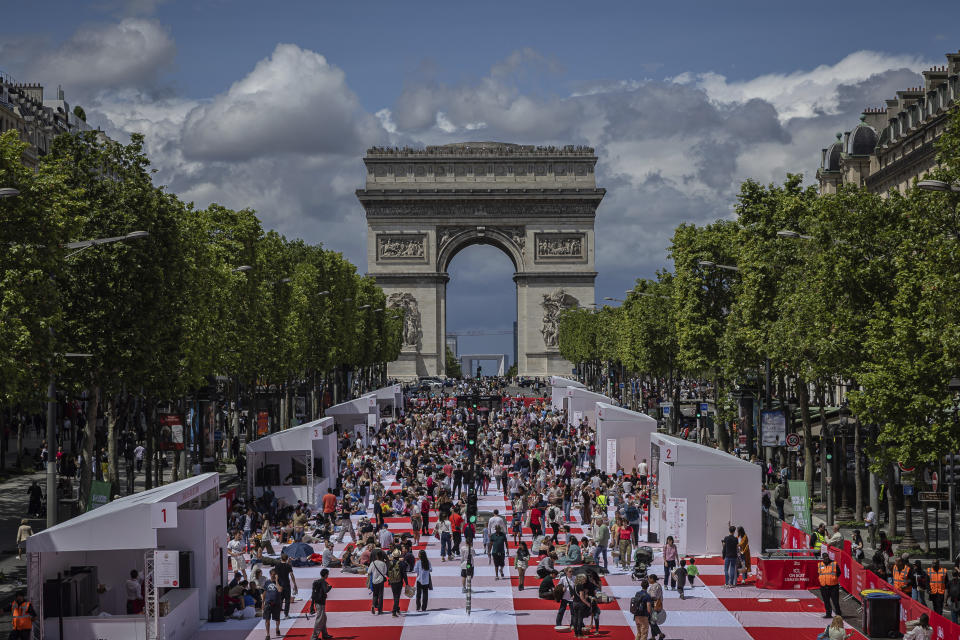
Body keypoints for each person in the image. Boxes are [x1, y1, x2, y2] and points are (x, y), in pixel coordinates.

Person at [273, 553, 298, 619]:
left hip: (280, 584)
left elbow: (276, 576)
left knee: (280, 600)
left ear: (281, 558)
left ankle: (277, 614)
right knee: (287, 600)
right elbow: (292, 575)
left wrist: (276, 583)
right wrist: (295, 584)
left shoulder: (277, 565)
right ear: (287, 559)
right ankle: (286, 614)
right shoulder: (288, 565)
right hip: (286, 584)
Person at [818, 552, 841, 618]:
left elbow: (839, 573)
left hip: (833, 586)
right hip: (824, 586)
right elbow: (819, 574)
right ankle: (828, 614)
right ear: (823, 558)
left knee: (835, 601)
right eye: (825, 558)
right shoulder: (820, 565)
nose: (826, 559)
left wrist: (832, 579)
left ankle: (838, 614)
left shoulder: (834, 564)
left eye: (827, 557)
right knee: (826, 601)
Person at [387, 549, 408, 617]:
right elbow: (404, 574)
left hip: (392, 581)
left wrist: (390, 578)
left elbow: (387, 573)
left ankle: (397, 608)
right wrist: (407, 583)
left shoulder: (390, 563)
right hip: (399, 581)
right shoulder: (401, 563)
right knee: (397, 596)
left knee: (395, 595)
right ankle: (394, 611)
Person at [262, 569, 282, 640]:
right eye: (272, 574)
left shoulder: (279, 582)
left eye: (275, 574)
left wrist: (276, 581)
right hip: (268, 603)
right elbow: (264, 592)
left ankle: (277, 628)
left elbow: (279, 590)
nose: (273, 576)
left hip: (276, 603)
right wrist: (262, 602)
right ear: (270, 574)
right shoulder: (267, 582)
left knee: (277, 619)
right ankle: (268, 634)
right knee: (267, 619)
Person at [647, 574, 665, 640]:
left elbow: (653, 596)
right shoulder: (657, 585)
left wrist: (646, 597)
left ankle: (660, 634)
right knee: (652, 621)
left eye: (649, 578)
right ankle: (653, 637)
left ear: (652, 579)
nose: (648, 580)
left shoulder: (655, 586)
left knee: (652, 621)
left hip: (654, 607)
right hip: (656, 606)